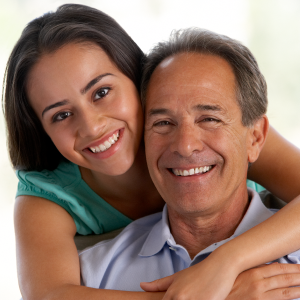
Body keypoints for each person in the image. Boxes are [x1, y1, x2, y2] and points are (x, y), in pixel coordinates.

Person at [2, 4, 300, 300]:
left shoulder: (225, 128)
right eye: (61, 115)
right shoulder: (49, 200)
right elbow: (50, 295)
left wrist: (227, 261)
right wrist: (209, 295)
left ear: (137, 81)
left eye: (101, 93)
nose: (92, 127)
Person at [79, 28, 300, 300]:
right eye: (163, 123)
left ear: (255, 138)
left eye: (209, 119)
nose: (184, 146)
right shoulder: (90, 276)